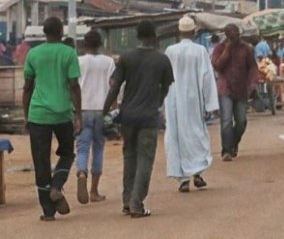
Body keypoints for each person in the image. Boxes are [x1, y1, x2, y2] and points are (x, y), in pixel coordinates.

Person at [103, 20, 174, 218]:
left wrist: (104, 111)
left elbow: (115, 87)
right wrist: (157, 102)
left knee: (130, 157)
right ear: (154, 36)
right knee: (145, 159)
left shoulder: (126, 57)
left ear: (137, 36)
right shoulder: (162, 60)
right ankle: (136, 203)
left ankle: (127, 201)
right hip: (148, 117)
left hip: (127, 117)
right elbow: (166, 87)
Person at [23, 17, 82, 221]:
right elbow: (74, 85)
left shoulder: (33, 54)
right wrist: (79, 114)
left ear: (44, 32)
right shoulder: (68, 53)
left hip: (38, 114)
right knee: (67, 152)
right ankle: (57, 185)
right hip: (62, 113)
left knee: (41, 162)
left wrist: (26, 116)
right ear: (61, 30)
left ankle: (48, 212)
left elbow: (27, 87)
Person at [164, 16, 219, 193]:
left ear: (179, 32)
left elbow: (163, 78)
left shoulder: (170, 51)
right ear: (194, 32)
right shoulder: (200, 50)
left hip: (173, 100)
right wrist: (210, 104)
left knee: (176, 136)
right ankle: (197, 173)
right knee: (197, 135)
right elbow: (207, 77)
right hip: (194, 100)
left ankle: (183, 179)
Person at [76, 30, 115, 205]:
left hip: (83, 109)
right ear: (100, 44)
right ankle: (93, 191)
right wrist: (113, 106)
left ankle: (82, 172)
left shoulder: (78, 61)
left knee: (83, 147)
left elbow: (73, 86)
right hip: (102, 110)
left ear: (85, 44)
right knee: (98, 149)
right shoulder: (108, 62)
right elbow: (113, 86)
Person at [211, 23, 259, 161]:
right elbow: (217, 65)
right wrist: (227, 50)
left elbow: (253, 68)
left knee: (241, 121)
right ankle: (226, 150)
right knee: (226, 120)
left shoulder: (246, 49)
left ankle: (233, 143)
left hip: (242, 88)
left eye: (236, 33)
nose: (234, 36)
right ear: (226, 35)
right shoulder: (219, 49)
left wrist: (252, 84)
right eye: (231, 33)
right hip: (225, 89)